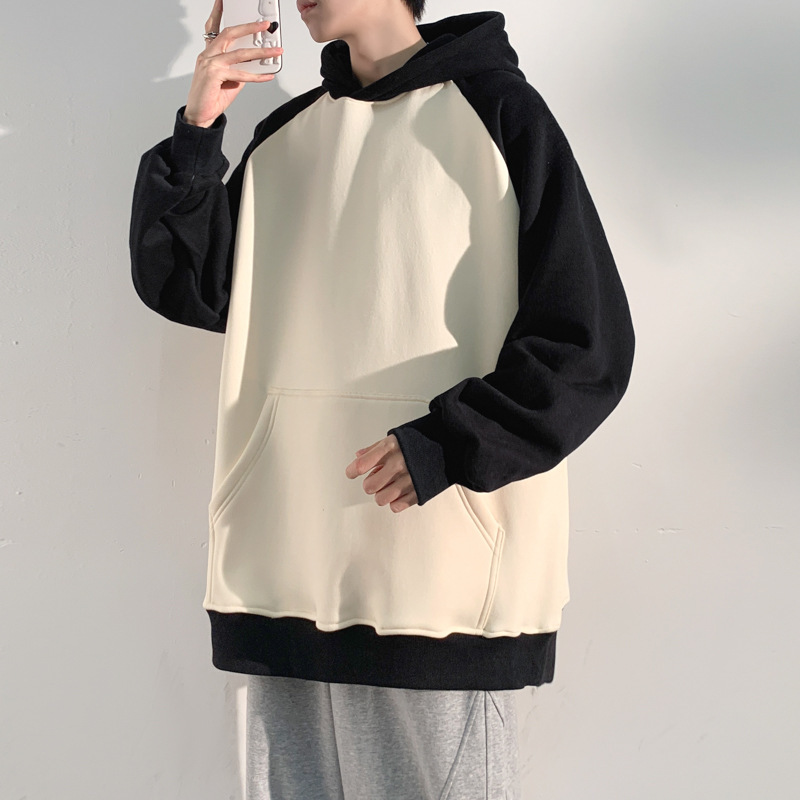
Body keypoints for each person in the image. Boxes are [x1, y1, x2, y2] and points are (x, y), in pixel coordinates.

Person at [129, 0, 635, 797]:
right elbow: (188, 285)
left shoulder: (502, 117)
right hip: (283, 574)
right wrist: (198, 132)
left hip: (440, 591)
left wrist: (446, 444)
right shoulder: (287, 138)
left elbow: (586, 344)